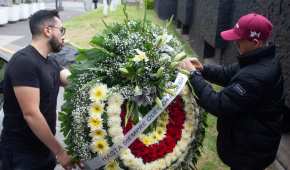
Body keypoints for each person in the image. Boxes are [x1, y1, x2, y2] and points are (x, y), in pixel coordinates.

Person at [180, 13, 285, 170]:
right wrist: (203, 69)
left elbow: (218, 104)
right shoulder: (259, 58)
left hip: (250, 151)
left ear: (255, 42)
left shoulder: (255, 76)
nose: (235, 42)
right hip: (250, 140)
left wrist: (194, 76)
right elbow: (227, 73)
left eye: (239, 40)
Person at [0, 10, 81, 170]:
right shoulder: (24, 62)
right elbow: (31, 114)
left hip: (43, 150)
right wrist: (60, 152)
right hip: (21, 155)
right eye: (62, 30)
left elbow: (72, 80)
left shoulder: (50, 63)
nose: (63, 36)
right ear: (48, 30)